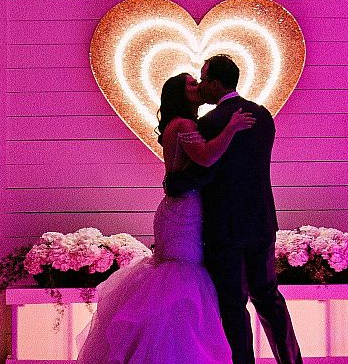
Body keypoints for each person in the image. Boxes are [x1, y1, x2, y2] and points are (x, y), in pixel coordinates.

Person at [76, 72, 254, 364]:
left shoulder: (177, 124)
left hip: (177, 208)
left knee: (172, 275)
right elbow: (206, 157)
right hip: (184, 211)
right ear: (180, 94)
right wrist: (232, 128)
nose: (197, 86)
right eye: (191, 85)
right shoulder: (183, 124)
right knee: (182, 278)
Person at [165, 54, 303, 364]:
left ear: (215, 83)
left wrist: (172, 184)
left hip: (224, 228)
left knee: (233, 304)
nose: (200, 86)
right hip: (261, 221)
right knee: (268, 297)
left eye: (203, 80)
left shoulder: (209, 123)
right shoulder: (263, 116)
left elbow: (205, 171)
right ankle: (292, 361)